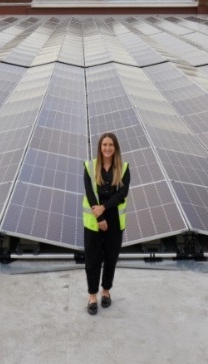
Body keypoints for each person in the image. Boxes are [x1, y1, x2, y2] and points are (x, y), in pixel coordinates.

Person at [82, 132, 130, 315]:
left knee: (111, 258)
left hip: (115, 221)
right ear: (100, 147)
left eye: (111, 145)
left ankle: (106, 291)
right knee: (92, 259)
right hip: (94, 221)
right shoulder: (89, 166)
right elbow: (89, 193)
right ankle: (92, 295)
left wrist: (104, 209)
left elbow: (122, 194)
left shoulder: (124, 168)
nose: (107, 148)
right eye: (104, 145)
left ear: (115, 147)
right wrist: (100, 216)